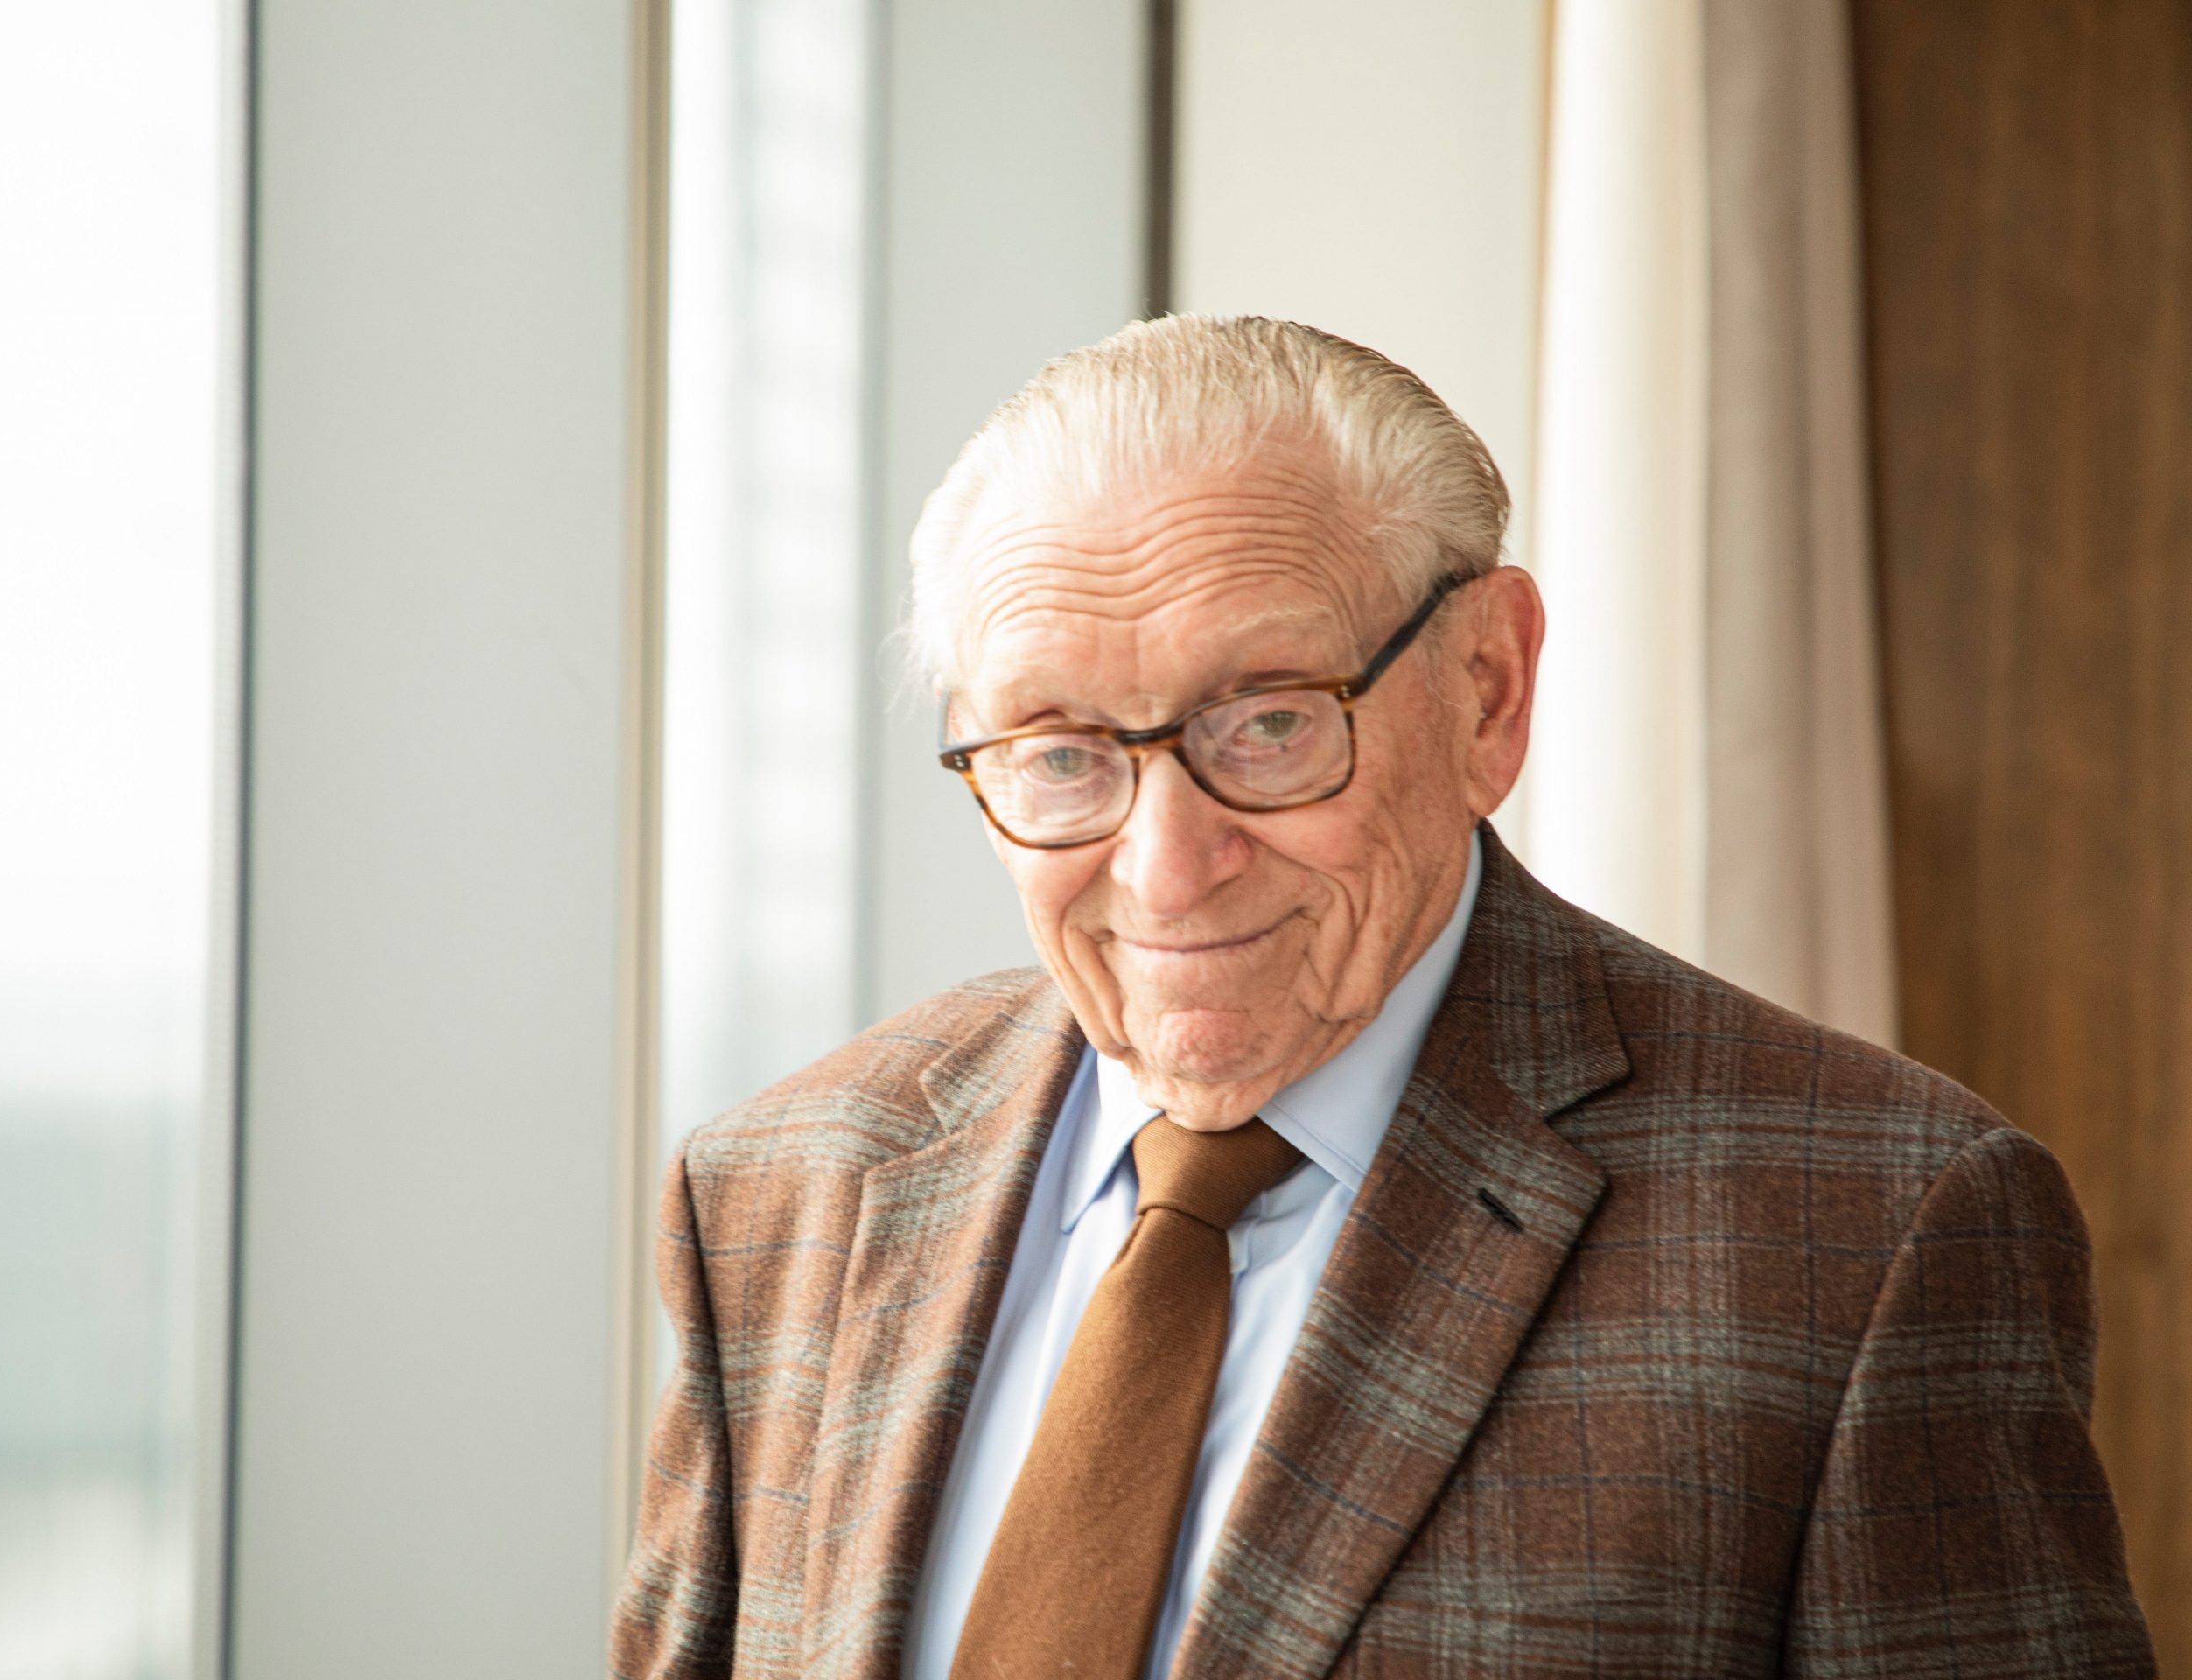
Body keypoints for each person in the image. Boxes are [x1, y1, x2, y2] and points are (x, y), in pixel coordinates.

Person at [610, 316, 2153, 1678]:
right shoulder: (775, 1193)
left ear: (1489, 688)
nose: (1164, 870)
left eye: (1269, 726)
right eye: (1064, 755)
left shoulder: (1876, 1236)